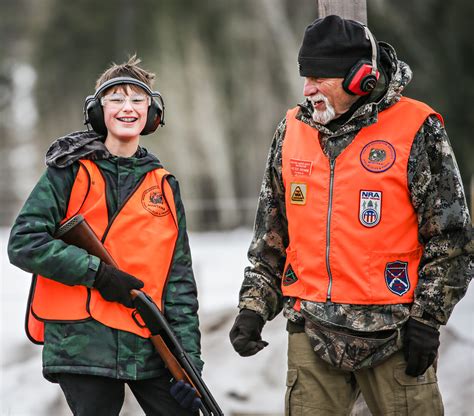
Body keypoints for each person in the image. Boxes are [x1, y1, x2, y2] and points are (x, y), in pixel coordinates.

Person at [229, 15, 473, 415]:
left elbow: (451, 237)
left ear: (359, 77)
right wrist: (254, 307)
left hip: (396, 334)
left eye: (318, 78)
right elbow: (271, 233)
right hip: (311, 330)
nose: (307, 90)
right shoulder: (291, 130)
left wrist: (428, 319)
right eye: (304, 77)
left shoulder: (416, 128)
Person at [8, 56, 202, 415]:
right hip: (82, 345)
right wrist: (98, 273)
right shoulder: (68, 172)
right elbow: (24, 242)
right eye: (115, 98)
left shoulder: (163, 185)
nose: (127, 107)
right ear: (98, 112)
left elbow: (179, 284)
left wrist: (190, 366)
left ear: (152, 111)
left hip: (147, 341)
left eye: (137, 99)